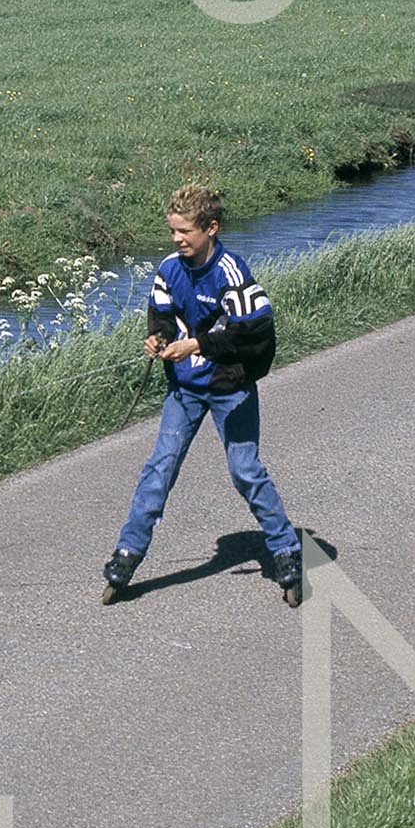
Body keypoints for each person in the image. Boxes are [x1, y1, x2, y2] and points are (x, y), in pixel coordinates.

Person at [105, 183, 305, 605]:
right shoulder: (168, 269)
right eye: (172, 231)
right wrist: (156, 340)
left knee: (245, 471)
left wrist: (195, 346)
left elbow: (254, 333)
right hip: (185, 390)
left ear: (210, 228)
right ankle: (127, 553)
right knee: (159, 468)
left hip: (230, 389)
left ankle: (286, 550)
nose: (177, 240)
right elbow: (161, 316)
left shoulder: (232, 272)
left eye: (184, 232)